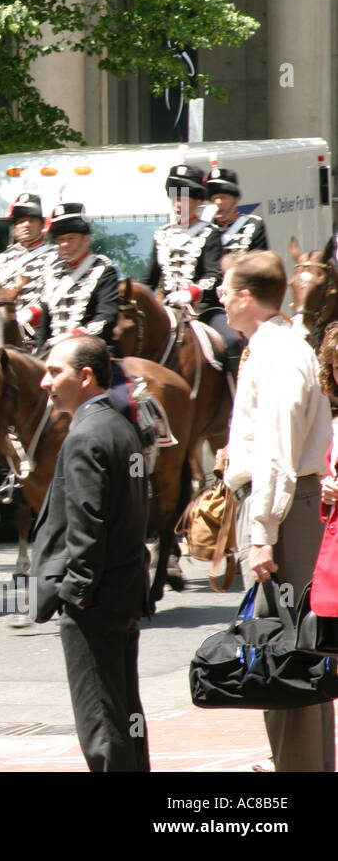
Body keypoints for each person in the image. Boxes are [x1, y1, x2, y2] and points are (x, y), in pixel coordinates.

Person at [219, 250, 332, 772]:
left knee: (290, 657)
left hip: (284, 516)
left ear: (245, 297)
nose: (218, 296)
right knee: (280, 651)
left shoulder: (279, 351)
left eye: (225, 287)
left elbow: (278, 451)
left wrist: (262, 531)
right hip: (281, 509)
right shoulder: (266, 346)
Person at [30, 334, 150, 772]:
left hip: (94, 602)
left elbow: (87, 524)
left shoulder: (86, 435)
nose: (45, 382)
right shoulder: (120, 426)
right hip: (121, 592)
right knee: (124, 715)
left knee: (101, 726)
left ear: (85, 377)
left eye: (53, 372)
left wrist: (77, 591)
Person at [144, 163, 241, 382]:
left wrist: (191, 293)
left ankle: (237, 396)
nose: (178, 204)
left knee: (231, 340)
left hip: (202, 309)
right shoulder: (161, 234)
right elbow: (148, 278)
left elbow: (214, 275)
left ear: (197, 201)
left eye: (184, 198)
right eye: (175, 197)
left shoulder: (210, 233)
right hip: (167, 308)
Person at [16, 202, 119, 355]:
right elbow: (46, 317)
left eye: (71, 238)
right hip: (54, 351)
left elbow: (106, 317)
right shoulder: (52, 271)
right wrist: (39, 353)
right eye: (60, 240)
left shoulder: (103, 270)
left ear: (86, 239)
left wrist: (73, 337)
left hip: (90, 351)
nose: (64, 244)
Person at [0, 192, 54, 308]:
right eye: (21, 221)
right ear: (15, 227)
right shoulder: (1, 259)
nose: (26, 225)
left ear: (41, 225)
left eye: (31, 220)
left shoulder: (54, 255)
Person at [205, 167, 268, 255]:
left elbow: (261, 263)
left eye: (223, 197)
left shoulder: (253, 225)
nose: (218, 202)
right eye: (214, 198)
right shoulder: (205, 230)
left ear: (236, 199)